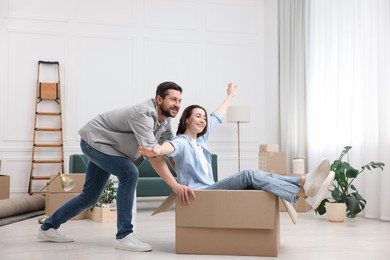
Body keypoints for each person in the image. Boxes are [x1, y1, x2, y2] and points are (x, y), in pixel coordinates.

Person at [37, 81, 195, 252]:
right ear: (159, 99)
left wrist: (183, 174)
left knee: (90, 197)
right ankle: (124, 235)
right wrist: (175, 185)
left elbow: (168, 150)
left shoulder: (164, 121)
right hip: (94, 141)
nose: (177, 105)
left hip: (109, 147)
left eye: (179, 100)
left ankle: (48, 228)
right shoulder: (144, 113)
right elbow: (153, 155)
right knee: (129, 173)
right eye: (173, 100)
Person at [138, 83, 335, 211]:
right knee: (247, 174)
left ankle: (302, 187)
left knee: (254, 178)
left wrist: (230, 96)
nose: (203, 119)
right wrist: (156, 150)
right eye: (198, 116)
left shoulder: (200, 141)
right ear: (186, 119)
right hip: (201, 194)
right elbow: (169, 147)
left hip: (210, 189)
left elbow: (217, 116)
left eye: (203, 117)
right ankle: (301, 186)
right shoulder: (182, 141)